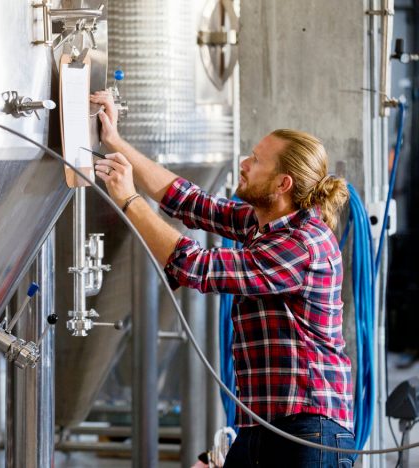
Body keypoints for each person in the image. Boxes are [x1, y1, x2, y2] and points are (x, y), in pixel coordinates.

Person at [89, 90, 356, 467]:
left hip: (307, 430)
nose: (244, 163)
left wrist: (130, 200)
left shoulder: (303, 244)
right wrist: (115, 142)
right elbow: (187, 201)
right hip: (264, 424)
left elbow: (196, 266)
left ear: (282, 184)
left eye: (256, 160)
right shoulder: (261, 225)